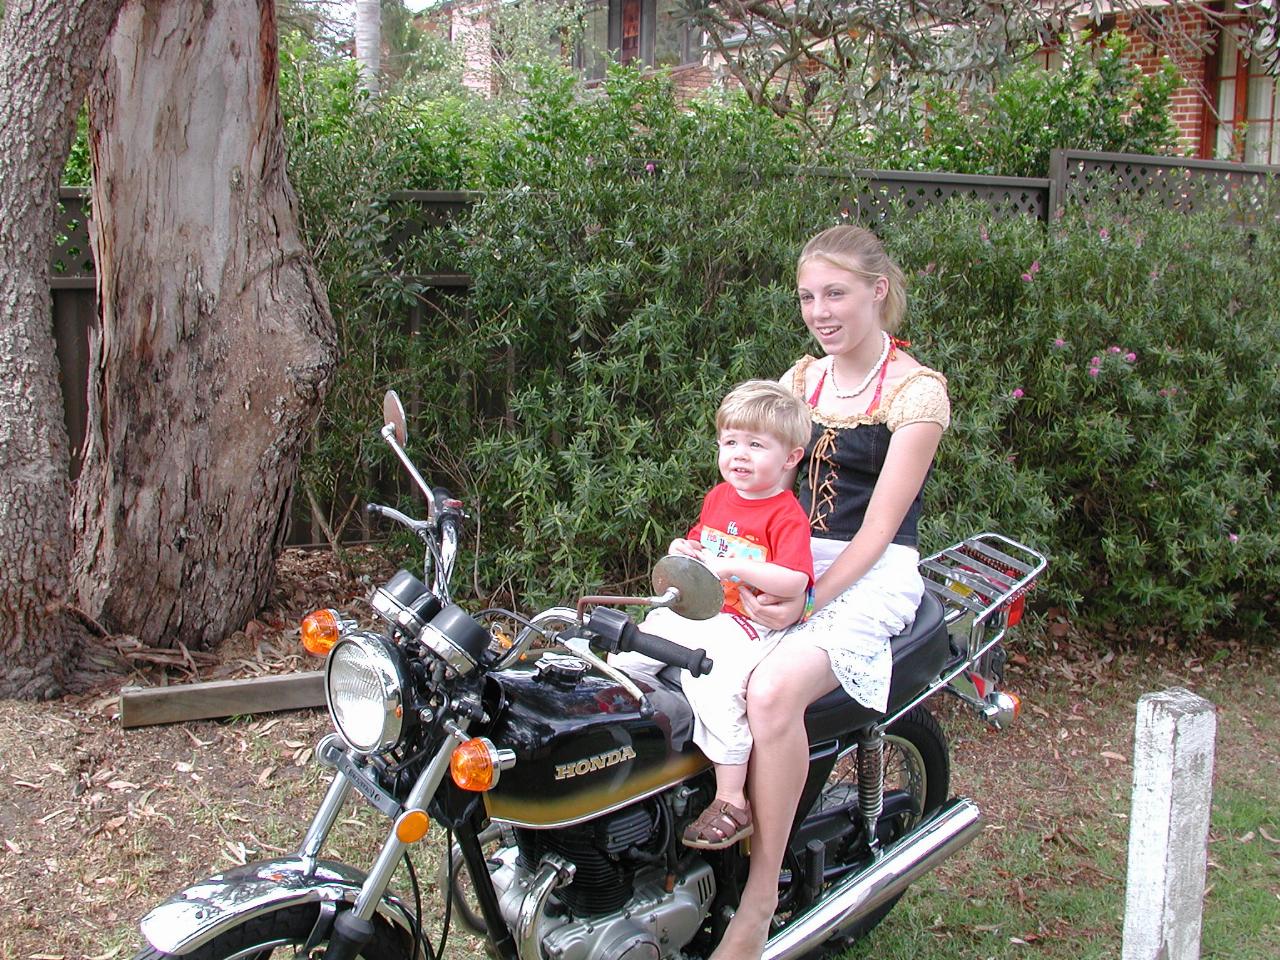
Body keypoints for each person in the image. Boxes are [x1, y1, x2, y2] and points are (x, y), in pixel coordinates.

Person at [710, 225, 950, 960]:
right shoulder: (802, 381)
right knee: (686, 656)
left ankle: (756, 906)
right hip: (789, 553)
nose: (820, 310)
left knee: (774, 692)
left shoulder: (917, 393)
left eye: (836, 293)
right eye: (809, 296)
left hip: (866, 574)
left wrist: (808, 600)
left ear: (878, 292)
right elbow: (762, 478)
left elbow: (879, 531)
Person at [610, 380, 814, 850]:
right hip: (698, 609)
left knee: (717, 686)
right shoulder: (720, 496)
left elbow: (795, 581)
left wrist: (737, 567)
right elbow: (703, 540)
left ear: (790, 458)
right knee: (631, 650)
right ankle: (626, 747)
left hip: (745, 621)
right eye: (730, 443)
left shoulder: (785, 515)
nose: (739, 455)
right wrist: (685, 548)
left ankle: (730, 798)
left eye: (756, 445)